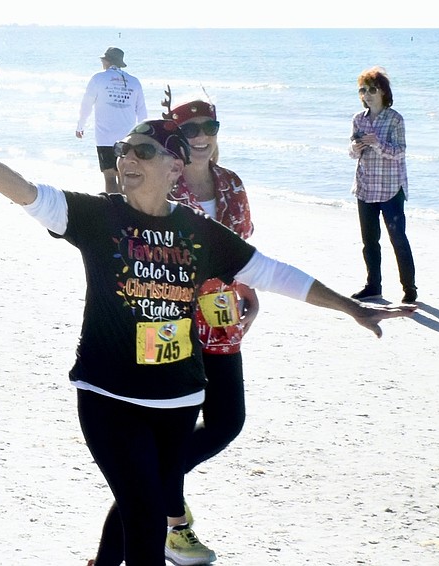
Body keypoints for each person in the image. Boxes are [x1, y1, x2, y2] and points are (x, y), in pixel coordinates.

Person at [0, 92, 416, 566]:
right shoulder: (99, 216)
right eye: (123, 150)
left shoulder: (199, 232)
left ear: (173, 167)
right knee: (143, 519)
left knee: (148, 505)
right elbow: (27, 194)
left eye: (142, 151)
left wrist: (351, 307)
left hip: (179, 401)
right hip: (108, 396)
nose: (126, 159)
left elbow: (271, 273)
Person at [165, 96, 258, 562]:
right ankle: (173, 526)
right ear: (176, 136)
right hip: (170, 327)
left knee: (227, 421)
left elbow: (243, 249)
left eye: (209, 126)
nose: (201, 135)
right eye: (190, 128)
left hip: (222, 323)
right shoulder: (163, 184)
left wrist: (250, 290)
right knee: (176, 427)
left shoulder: (232, 184)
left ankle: (155, 487)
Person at [348, 66, 417, 304]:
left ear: (383, 92)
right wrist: (356, 148)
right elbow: (352, 153)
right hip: (365, 187)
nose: (366, 94)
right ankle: (373, 286)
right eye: (363, 90)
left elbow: (400, 153)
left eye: (372, 89)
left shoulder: (395, 119)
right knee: (369, 241)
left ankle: (409, 290)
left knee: (398, 239)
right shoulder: (358, 119)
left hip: (390, 189)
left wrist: (377, 143)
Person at [75, 47, 146, 194]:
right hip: (127, 137)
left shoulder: (98, 78)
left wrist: (80, 126)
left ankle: (113, 209)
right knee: (123, 175)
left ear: (106, 61)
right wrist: (144, 136)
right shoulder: (134, 81)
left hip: (105, 137)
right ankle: (126, 209)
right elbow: (142, 111)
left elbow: (86, 104)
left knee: (109, 176)